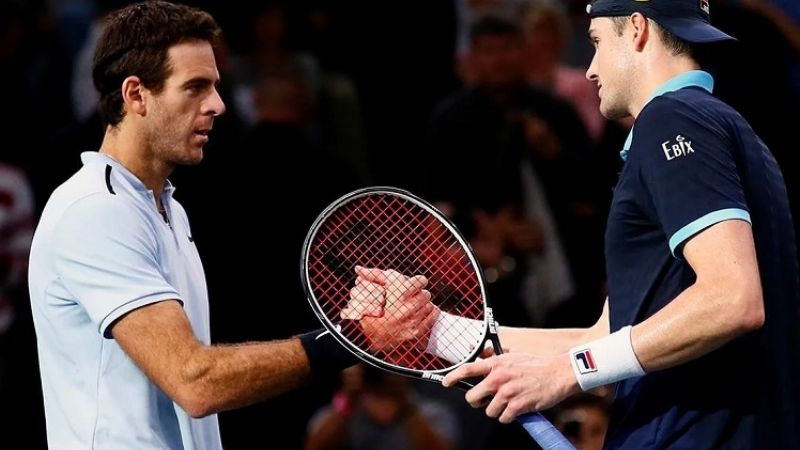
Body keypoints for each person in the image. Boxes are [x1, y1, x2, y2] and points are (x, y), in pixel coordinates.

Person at [354, 0, 800, 448]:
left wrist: (570, 372)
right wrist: (433, 329)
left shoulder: (673, 119)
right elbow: (603, 339)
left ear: (638, 30)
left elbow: (732, 299)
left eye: (596, 42)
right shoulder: (729, 130)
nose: (588, 69)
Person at [26, 2, 435, 449]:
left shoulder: (167, 209)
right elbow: (194, 380)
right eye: (195, 87)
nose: (218, 105)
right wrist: (351, 338)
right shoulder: (95, 211)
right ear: (136, 94)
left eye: (217, 86)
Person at [304, 363, 458, 450]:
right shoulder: (342, 412)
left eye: (389, 367)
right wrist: (348, 397)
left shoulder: (432, 413)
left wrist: (404, 401)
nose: (380, 374)